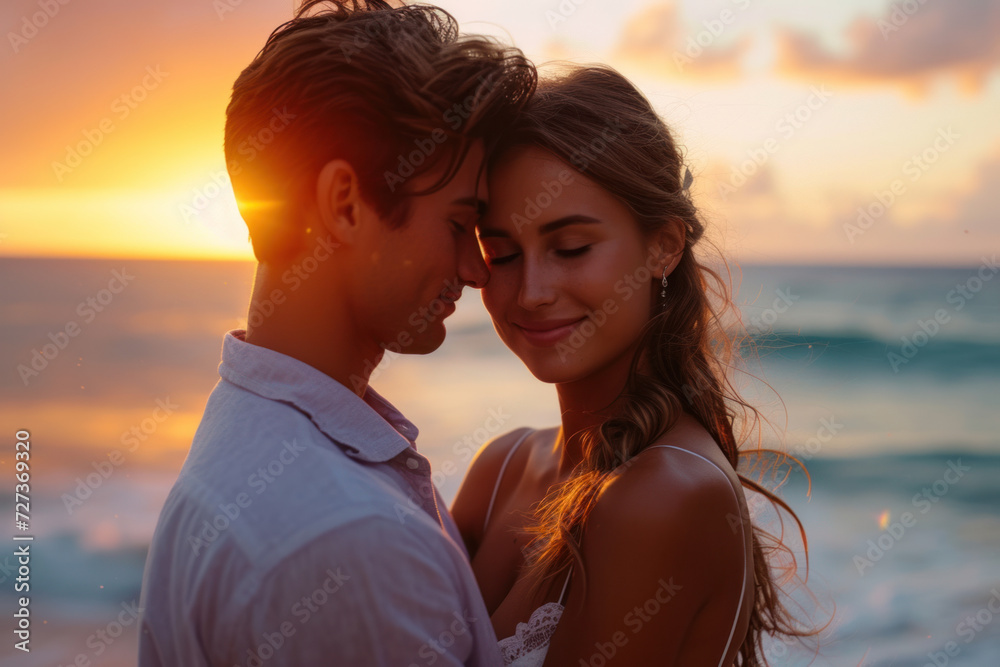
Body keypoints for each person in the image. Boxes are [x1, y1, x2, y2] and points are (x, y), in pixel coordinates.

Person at [138, 2, 535, 665]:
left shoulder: (244, 432)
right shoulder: (350, 542)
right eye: (458, 223)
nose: (474, 269)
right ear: (344, 204)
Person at [451, 65, 814, 666]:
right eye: (504, 253)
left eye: (571, 248)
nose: (531, 291)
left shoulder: (665, 495)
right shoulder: (502, 466)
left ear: (663, 245)